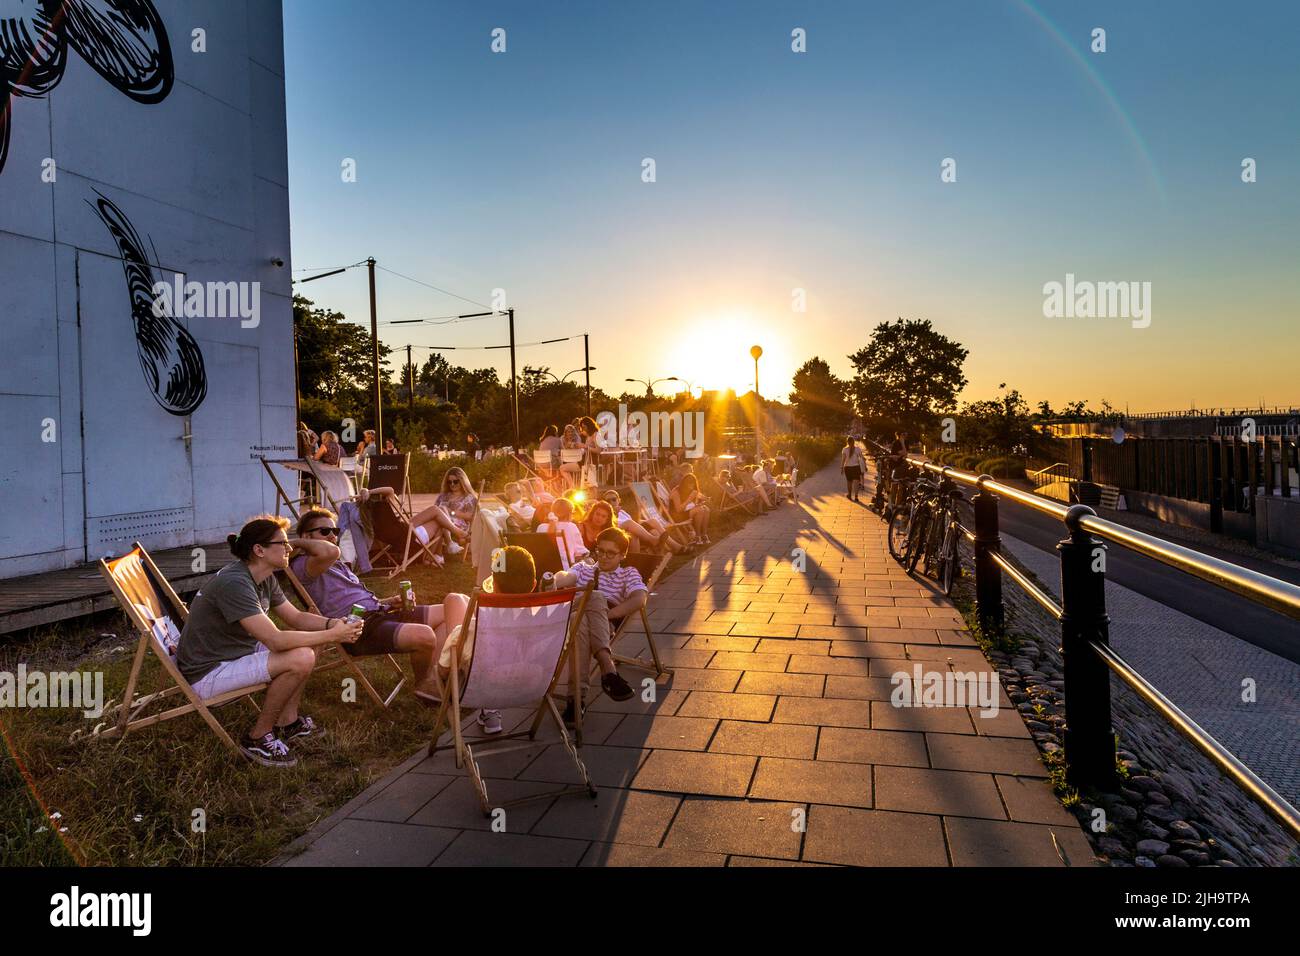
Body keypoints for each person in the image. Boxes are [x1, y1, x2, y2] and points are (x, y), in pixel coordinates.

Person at [175, 515, 363, 767]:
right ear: (259, 550)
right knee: (301, 656)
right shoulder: (235, 583)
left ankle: (287, 721)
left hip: (234, 653)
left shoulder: (263, 577)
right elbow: (275, 640)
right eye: (283, 543)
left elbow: (295, 616)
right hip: (208, 671)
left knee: (310, 643)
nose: (290, 548)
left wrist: (332, 623)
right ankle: (257, 737)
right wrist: (333, 635)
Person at [289, 507, 473, 709]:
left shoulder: (336, 564)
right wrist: (293, 542)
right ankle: (434, 680)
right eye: (325, 531)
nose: (333, 535)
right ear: (307, 536)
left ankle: (437, 677)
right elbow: (331, 551)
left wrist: (387, 601)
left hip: (380, 613)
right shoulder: (303, 565)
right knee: (425, 636)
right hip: (356, 627)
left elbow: (354, 597)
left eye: (335, 530)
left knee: (456, 601)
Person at [554, 528, 640, 720]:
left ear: (623, 555)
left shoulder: (628, 573)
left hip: (600, 621)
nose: (604, 557)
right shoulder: (584, 568)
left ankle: (575, 702)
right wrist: (555, 578)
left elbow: (639, 599)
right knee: (594, 596)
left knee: (582, 622)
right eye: (600, 551)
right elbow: (565, 577)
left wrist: (603, 614)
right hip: (576, 609)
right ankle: (607, 667)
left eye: (611, 553)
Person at [601, 490, 677, 554]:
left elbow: (634, 523)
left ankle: (672, 549)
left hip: (636, 532)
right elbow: (611, 527)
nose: (611, 502)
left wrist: (647, 522)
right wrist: (614, 513)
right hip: (620, 535)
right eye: (608, 501)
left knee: (653, 527)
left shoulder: (622, 512)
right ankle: (653, 540)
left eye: (614, 499)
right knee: (630, 524)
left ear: (619, 500)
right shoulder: (606, 514)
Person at [434, 466, 477, 554]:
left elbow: (471, 516)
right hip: (442, 521)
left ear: (462, 481)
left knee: (441, 519)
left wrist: (451, 512)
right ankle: (445, 548)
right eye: (449, 482)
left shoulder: (469, 498)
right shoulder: (443, 496)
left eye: (455, 481)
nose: (452, 484)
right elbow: (434, 509)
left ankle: (438, 552)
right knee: (440, 519)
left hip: (459, 527)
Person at [537, 496, 588, 566]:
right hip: (567, 567)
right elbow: (580, 551)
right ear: (569, 513)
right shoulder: (571, 526)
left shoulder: (541, 527)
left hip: (545, 566)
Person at [669, 473, 711, 545]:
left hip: (685, 512)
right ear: (684, 484)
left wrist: (705, 499)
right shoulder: (676, 491)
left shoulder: (690, 491)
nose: (691, 487)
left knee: (706, 509)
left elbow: (703, 498)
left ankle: (704, 534)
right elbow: (678, 509)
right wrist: (690, 499)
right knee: (699, 510)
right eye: (689, 485)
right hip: (676, 516)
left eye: (693, 485)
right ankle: (697, 537)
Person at [841, 436, 865, 502]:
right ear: (853, 441)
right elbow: (862, 458)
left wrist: (841, 468)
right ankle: (856, 497)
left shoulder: (844, 449)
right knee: (856, 482)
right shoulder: (858, 449)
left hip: (847, 467)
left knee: (849, 482)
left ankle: (849, 495)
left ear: (847, 442)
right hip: (856, 467)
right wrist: (864, 466)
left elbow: (843, 460)